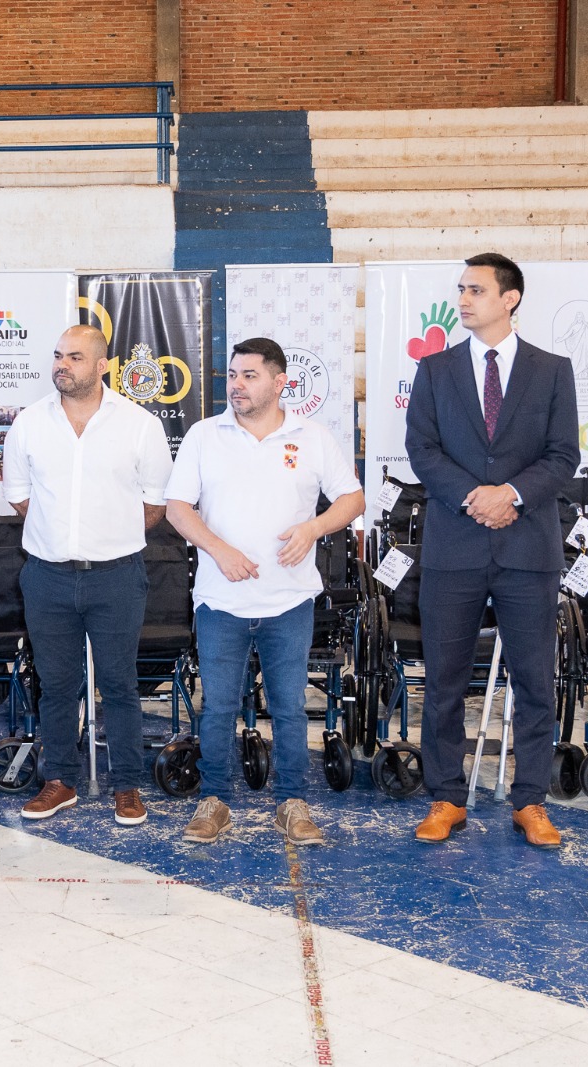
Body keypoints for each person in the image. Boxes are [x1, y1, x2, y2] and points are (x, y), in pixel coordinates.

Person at [403, 252, 580, 848]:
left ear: (510, 298)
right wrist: (474, 497)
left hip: (528, 549)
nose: (463, 299)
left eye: (476, 290)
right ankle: (446, 797)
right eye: (460, 289)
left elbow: (563, 454)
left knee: (534, 682)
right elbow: (423, 450)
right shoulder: (435, 370)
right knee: (444, 681)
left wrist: (512, 495)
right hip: (453, 548)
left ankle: (531, 801)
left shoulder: (552, 370)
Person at [165, 337, 365, 846]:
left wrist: (314, 528)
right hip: (221, 601)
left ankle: (292, 803)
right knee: (218, 707)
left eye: (249, 376)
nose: (237, 385)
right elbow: (177, 508)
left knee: (290, 706)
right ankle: (214, 801)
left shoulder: (313, 437)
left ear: (280, 383)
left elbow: (352, 498)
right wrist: (219, 550)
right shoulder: (204, 435)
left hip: (289, 600)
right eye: (232, 375)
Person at [3, 324, 173, 825]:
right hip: (47, 576)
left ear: (102, 366)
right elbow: (19, 497)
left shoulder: (139, 425)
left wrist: (105, 536)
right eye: (58, 355)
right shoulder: (29, 423)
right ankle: (60, 781)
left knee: (120, 685)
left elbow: (155, 504)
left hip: (117, 577)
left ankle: (127, 786)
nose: (62, 364)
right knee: (56, 684)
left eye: (74, 357)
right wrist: (62, 536)